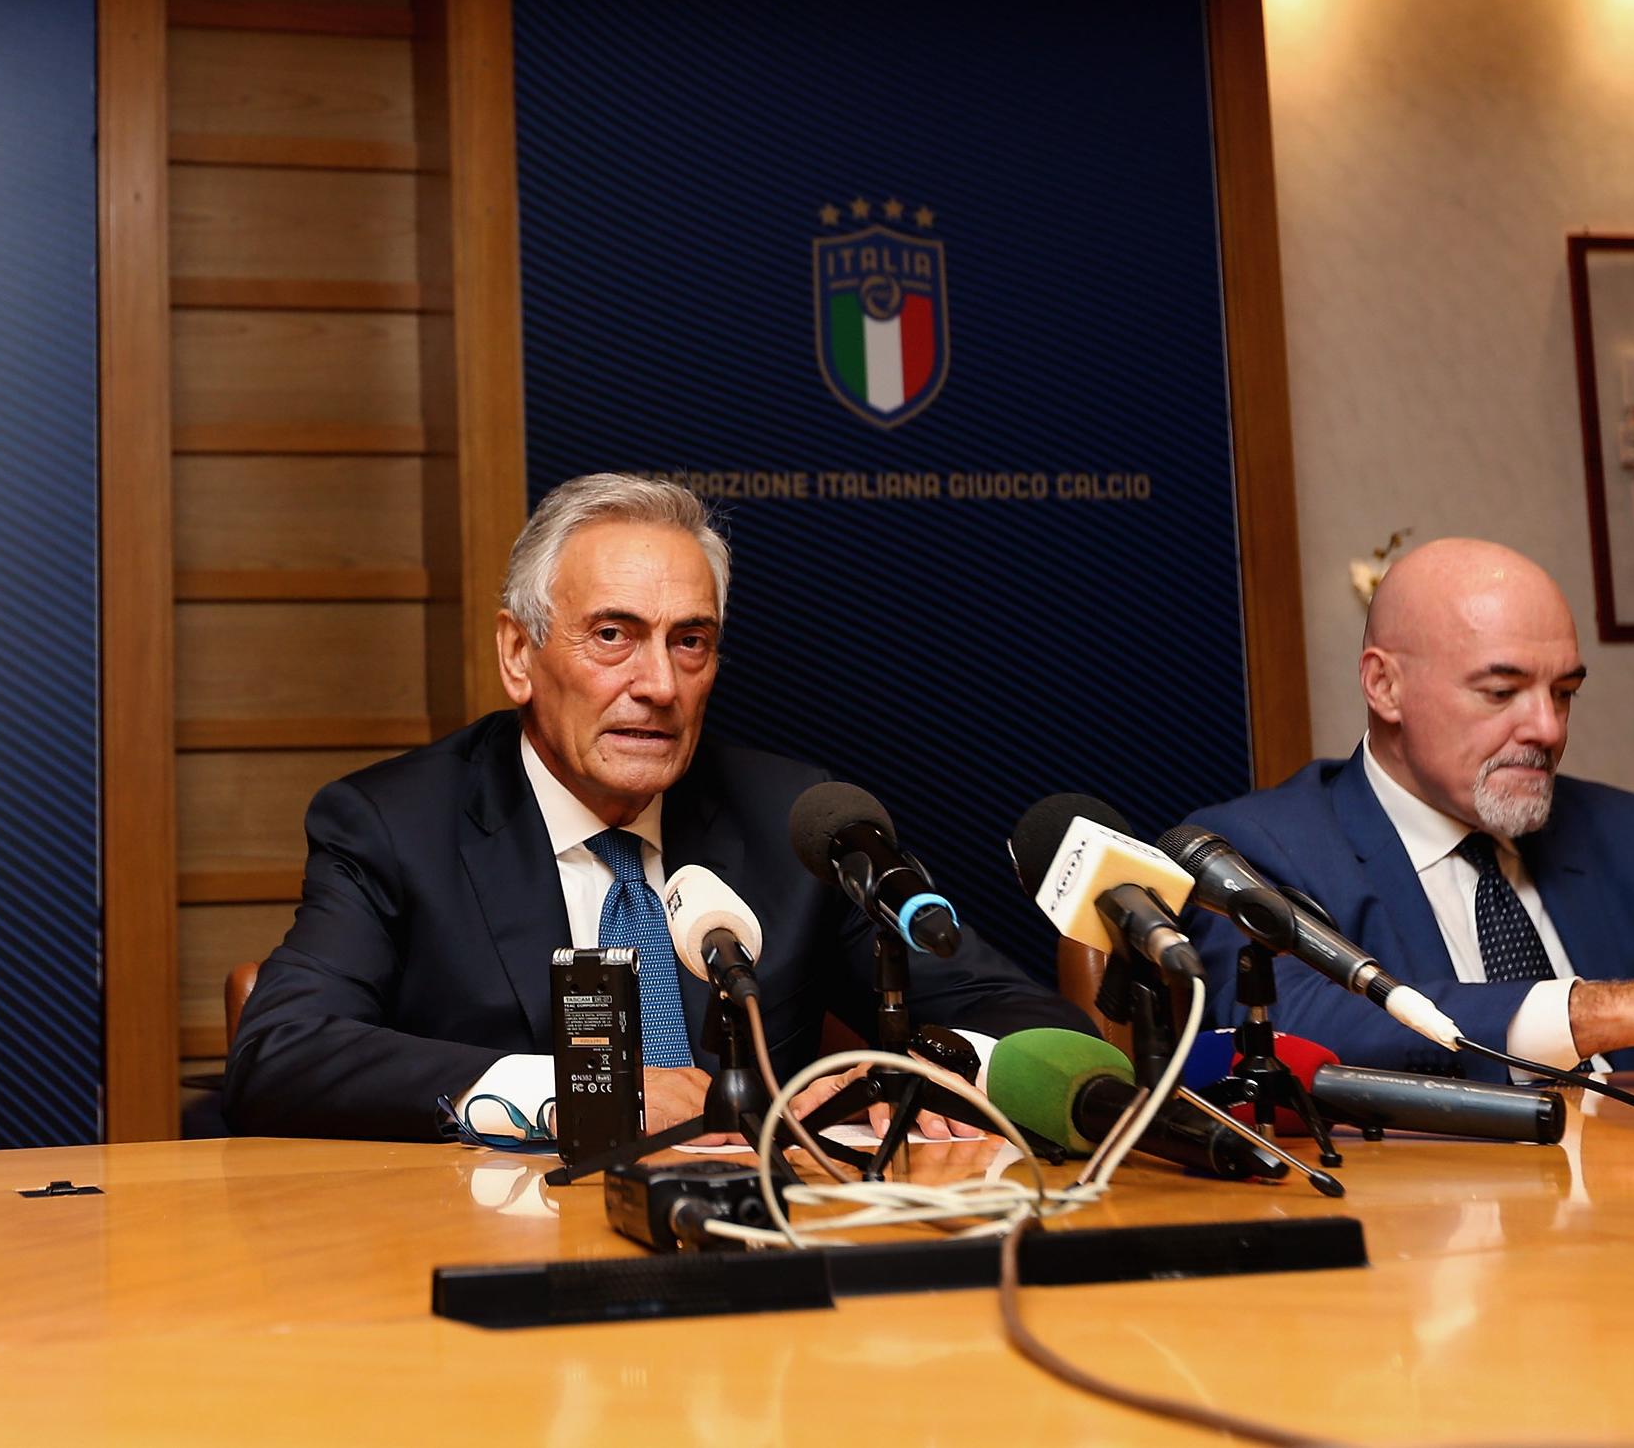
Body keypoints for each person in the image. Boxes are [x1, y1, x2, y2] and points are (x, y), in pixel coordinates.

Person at [222, 472, 1088, 1142]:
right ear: (518, 655)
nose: (660, 685)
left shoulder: (792, 819)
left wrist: (935, 1068)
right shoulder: (394, 824)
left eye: (690, 642)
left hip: (759, 1252)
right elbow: (281, 1054)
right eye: (613, 635)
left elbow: (1028, 1019)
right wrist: (586, 1092)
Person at [1181, 536, 1634, 1079]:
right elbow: (1274, 1029)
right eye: (1501, 692)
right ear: (1384, 685)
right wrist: (1621, 1012)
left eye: (1564, 692)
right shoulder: (1258, 849)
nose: (1548, 729)